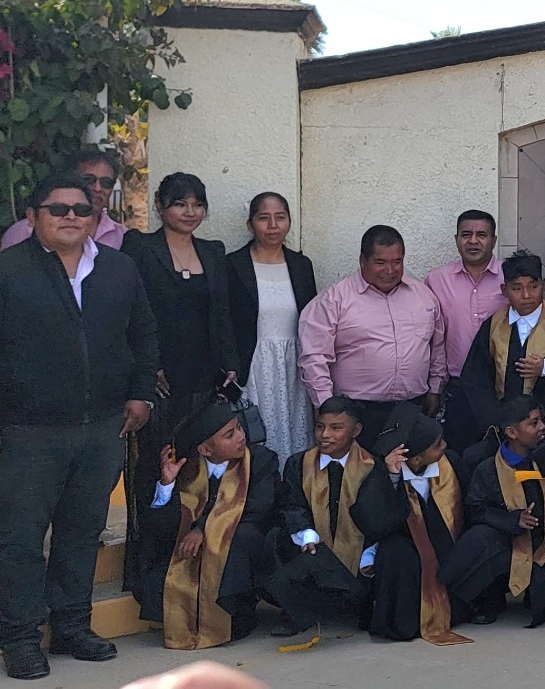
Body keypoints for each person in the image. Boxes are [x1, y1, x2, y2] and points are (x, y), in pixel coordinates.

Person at [0, 173, 158, 681]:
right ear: (32, 217)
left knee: (81, 531)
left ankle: (71, 626)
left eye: (81, 209)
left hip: (103, 426)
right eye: (58, 208)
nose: (71, 216)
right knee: (20, 539)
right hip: (27, 429)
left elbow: (143, 334)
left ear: (95, 218)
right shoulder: (8, 271)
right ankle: (20, 638)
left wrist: (140, 393)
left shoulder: (118, 268)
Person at [122, 173, 238, 590]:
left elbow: (221, 314)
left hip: (204, 377)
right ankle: (147, 571)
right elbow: (132, 312)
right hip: (159, 378)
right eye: (179, 203)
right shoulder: (140, 247)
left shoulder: (213, 251)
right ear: (160, 206)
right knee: (154, 468)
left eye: (197, 204)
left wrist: (230, 366)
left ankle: (195, 567)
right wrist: (145, 366)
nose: (190, 212)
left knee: (198, 467)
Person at [135, 401, 280, 649]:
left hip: (238, 548)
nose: (240, 437)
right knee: (158, 577)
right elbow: (161, 528)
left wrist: (204, 530)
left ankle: (235, 617)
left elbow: (257, 509)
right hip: (192, 556)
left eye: (239, 428)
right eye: (229, 435)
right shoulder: (186, 470)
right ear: (205, 449)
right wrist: (167, 484)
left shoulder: (261, 460)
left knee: (242, 537)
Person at [298, 225, 446, 450]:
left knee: (407, 470)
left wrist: (435, 388)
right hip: (356, 412)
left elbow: (437, 345)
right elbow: (314, 357)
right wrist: (327, 407)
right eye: (380, 262)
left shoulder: (423, 296)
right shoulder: (334, 300)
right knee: (360, 471)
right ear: (362, 261)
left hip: (411, 409)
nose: (390, 270)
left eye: (397, 262)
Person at [442, 396, 545, 627]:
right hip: (509, 544)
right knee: (481, 539)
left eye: (541, 420)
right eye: (533, 423)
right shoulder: (488, 468)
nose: (542, 427)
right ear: (512, 432)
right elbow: (476, 511)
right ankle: (486, 600)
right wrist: (513, 520)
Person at [350, 401, 475, 645]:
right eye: (437, 445)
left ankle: (456, 610)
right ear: (416, 459)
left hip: (444, 538)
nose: (445, 446)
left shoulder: (450, 463)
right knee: (395, 553)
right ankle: (402, 624)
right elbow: (374, 521)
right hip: (404, 541)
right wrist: (392, 477)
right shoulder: (384, 472)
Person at [264, 396, 385, 639]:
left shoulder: (371, 466)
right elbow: (291, 504)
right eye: (320, 426)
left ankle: (357, 599)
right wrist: (307, 534)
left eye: (336, 428)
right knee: (277, 538)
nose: (325, 435)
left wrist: (368, 554)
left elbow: (378, 519)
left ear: (356, 430)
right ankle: (295, 611)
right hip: (312, 549)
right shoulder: (299, 463)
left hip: (357, 556)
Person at [456, 251, 545, 449]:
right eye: (516, 288)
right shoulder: (493, 327)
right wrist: (497, 421)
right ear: (504, 290)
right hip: (503, 430)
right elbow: (475, 379)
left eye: (533, 286)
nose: (526, 296)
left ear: (543, 285)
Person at [226, 192, 318, 467]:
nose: (273, 226)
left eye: (280, 217)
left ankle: (292, 487)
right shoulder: (233, 265)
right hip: (254, 365)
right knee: (256, 433)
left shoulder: (301, 265)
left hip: (293, 365)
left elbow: (313, 319)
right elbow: (224, 319)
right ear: (251, 224)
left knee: (296, 433)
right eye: (263, 218)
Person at [425, 211, 508, 451]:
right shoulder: (436, 280)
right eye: (466, 235)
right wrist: (435, 387)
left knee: (501, 455)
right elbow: (431, 337)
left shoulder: (510, 278)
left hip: (501, 388)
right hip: (458, 387)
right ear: (456, 239)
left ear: (493, 240)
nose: (473, 241)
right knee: (458, 454)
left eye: (481, 235)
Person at [1, 148, 127, 251]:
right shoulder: (23, 231)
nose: (97, 188)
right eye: (88, 179)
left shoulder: (122, 236)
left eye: (106, 182)